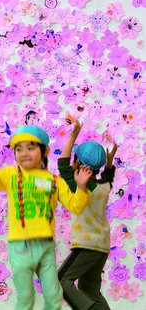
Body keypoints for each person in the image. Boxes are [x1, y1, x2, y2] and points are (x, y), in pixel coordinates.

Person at [0, 125, 93, 310]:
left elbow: (75, 206)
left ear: (45, 151)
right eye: (18, 149)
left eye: (30, 148)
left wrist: (82, 187)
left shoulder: (55, 181)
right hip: (20, 245)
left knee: (54, 295)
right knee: (26, 296)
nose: (24, 153)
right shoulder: (11, 174)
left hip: (46, 246)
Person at [57, 119, 117, 310]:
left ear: (79, 164)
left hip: (87, 244)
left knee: (61, 280)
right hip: (102, 245)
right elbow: (108, 176)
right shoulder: (104, 186)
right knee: (89, 290)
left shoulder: (80, 186)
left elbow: (63, 164)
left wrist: (74, 133)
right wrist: (109, 163)